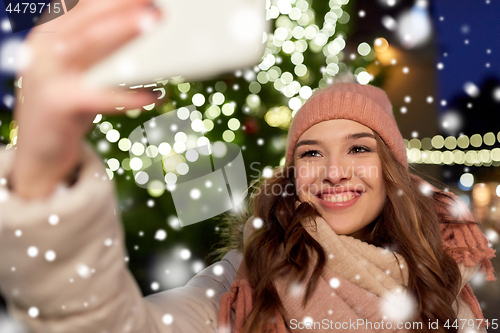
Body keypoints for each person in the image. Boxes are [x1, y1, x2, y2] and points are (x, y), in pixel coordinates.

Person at [0, 1, 495, 333]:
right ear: (293, 173)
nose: (334, 171)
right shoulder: (249, 277)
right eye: (311, 152)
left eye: (360, 149)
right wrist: (45, 173)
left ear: (393, 171)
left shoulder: (439, 274)